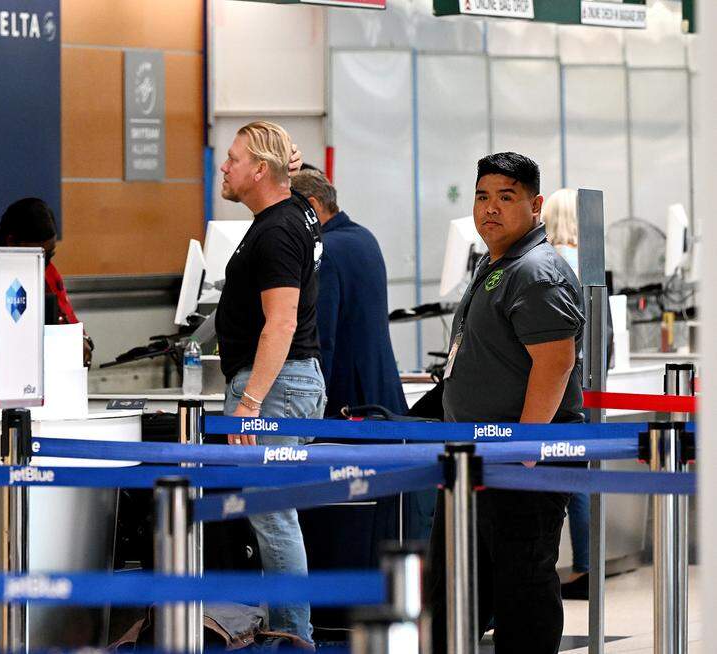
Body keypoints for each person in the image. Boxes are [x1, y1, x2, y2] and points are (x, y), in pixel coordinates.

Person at [426, 153, 585, 654]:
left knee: (523, 590)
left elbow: (556, 362)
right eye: (482, 196)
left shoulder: (536, 271)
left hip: (517, 461)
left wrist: (526, 443)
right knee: (458, 592)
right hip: (476, 460)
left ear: (536, 205)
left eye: (506, 197)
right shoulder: (499, 263)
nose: (489, 209)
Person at [217, 121, 325, 644]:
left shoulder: (279, 229)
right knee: (272, 516)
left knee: (273, 516)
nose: (224, 166)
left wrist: (251, 401)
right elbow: (298, 186)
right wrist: (290, 168)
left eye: (234, 159)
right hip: (288, 383)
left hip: (274, 387)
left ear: (260, 170)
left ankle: (292, 635)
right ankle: (285, 628)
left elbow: (280, 322)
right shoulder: (297, 210)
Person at [289, 169, 406, 417]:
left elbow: (322, 336)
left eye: (291, 212)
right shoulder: (364, 237)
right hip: (379, 390)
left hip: (348, 401)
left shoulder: (326, 250)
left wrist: (312, 402)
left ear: (312, 205)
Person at [0, 197, 93, 366]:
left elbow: (67, 314)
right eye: (37, 254)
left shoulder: (48, 271)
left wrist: (81, 338)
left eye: (50, 254)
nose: (43, 262)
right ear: (12, 242)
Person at [542, 187, 590, 600]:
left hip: (563, 391)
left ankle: (580, 565)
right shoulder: (585, 262)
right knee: (578, 479)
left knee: (569, 484)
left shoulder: (549, 263)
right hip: (584, 384)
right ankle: (587, 564)